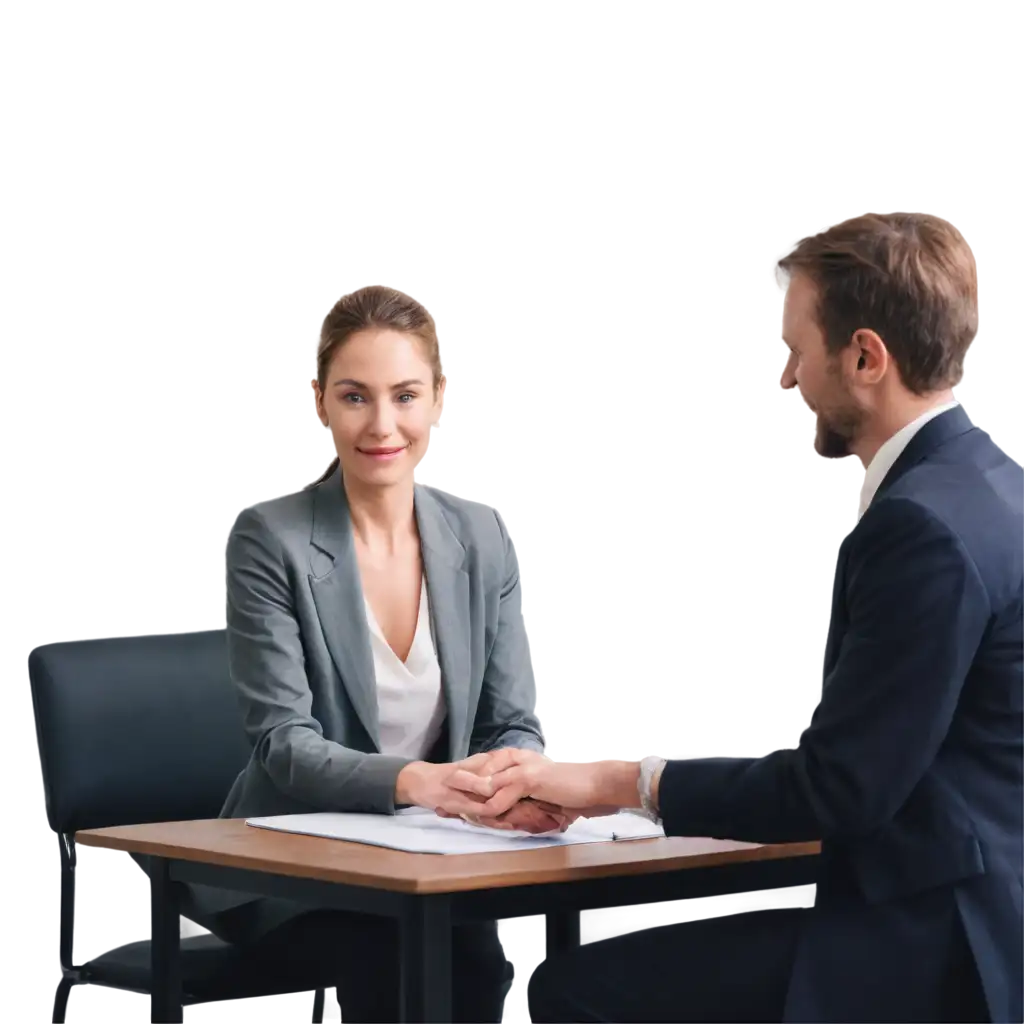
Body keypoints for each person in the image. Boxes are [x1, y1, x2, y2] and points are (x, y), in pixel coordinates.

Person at [461, 211, 1023, 1022]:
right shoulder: (990, 484)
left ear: (865, 356)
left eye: (796, 351)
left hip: (930, 948)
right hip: (961, 910)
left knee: (572, 996)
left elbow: (840, 789)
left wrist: (624, 780)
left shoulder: (922, 528)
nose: (785, 380)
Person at [182, 283, 565, 1022]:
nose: (382, 425)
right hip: (291, 865)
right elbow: (284, 747)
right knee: (396, 949)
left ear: (438, 399)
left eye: (405, 396)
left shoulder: (484, 536)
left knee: (484, 953)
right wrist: (421, 781)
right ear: (318, 401)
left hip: (431, 852)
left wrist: (513, 776)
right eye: (355, 397)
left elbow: (512, 722)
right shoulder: (273, 538)